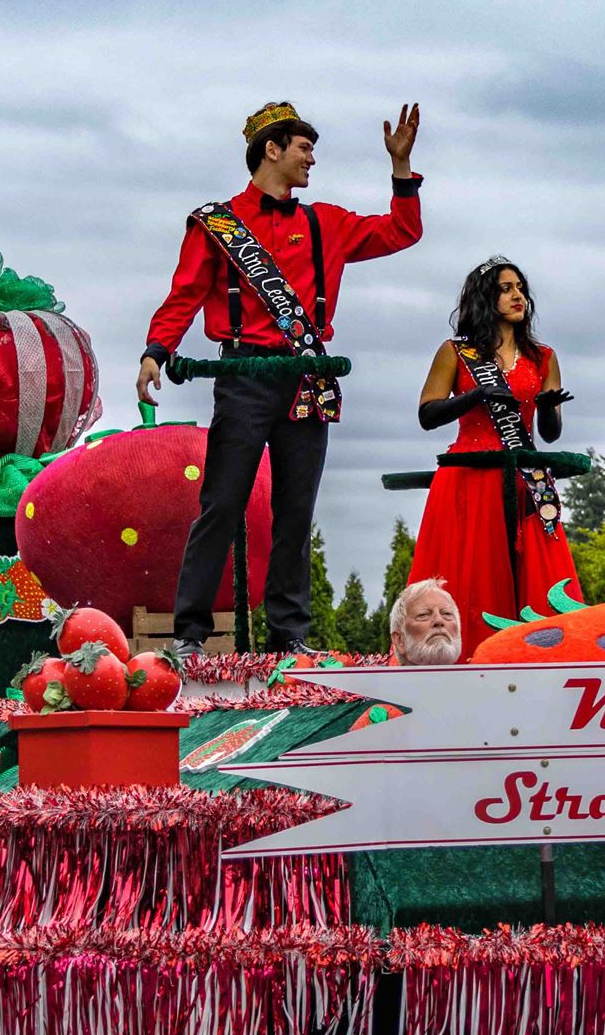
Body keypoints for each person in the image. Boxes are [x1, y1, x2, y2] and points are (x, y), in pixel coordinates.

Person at [139, 102, 423, 653]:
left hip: (306, 376)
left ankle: (289, 638)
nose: (311, 158)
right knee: (221, 503)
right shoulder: (216, 224)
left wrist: (402, 170)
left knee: (296, 509)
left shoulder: (327, 222)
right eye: (303, 147)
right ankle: (190, 635)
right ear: (272, 149)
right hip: (243, 374)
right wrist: (156, 350)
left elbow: (401, 233)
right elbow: (185, 294)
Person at [403, 258, 583, 656]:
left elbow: (549, 434)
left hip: (525, 480)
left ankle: (530, 659)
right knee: (472, 576)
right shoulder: (456, 352)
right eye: (505, 288)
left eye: (520, 287)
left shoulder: (544, 357)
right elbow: (427, 414)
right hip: (468, 478)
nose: (518, 295)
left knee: (534, 578)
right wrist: (476, 395)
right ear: (485, 298)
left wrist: (549, 408)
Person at [387, 580, 464, 666]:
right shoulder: (374, 679)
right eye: (423, 615)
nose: (439, 621)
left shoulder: (479, 677)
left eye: (447, 613)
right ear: (400, 640)